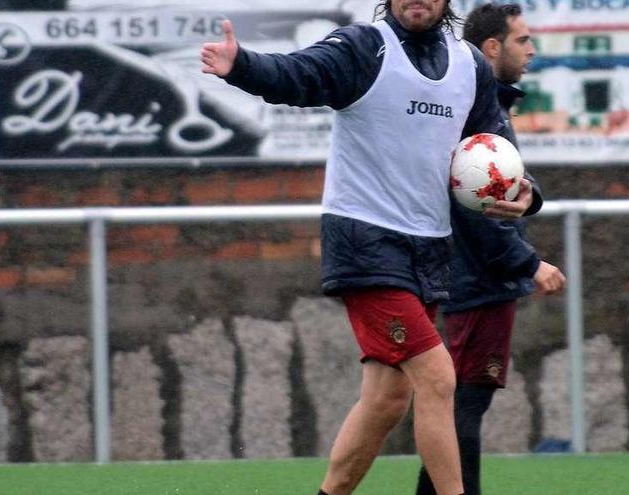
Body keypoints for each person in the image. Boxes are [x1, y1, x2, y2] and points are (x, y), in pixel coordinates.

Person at [201, 1, 542, 494]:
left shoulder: (469, 64)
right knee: (438, 376)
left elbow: (494, 148)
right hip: (365, 242)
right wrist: (244, 65)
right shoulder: (364, 47)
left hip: (428, 248)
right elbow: (298, 74)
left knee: (387, 400)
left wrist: (527, 193)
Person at [415, 4, 566, 495]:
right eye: (523, 40)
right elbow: (476, 209)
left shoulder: (488, 106)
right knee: (463, 403)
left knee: (459, 402)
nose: (532, 50)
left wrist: (532, 196)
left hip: (475, 279)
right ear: (493, 48)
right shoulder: (477, 109)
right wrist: (528, 262)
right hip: (476, 281)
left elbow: (509, 189)